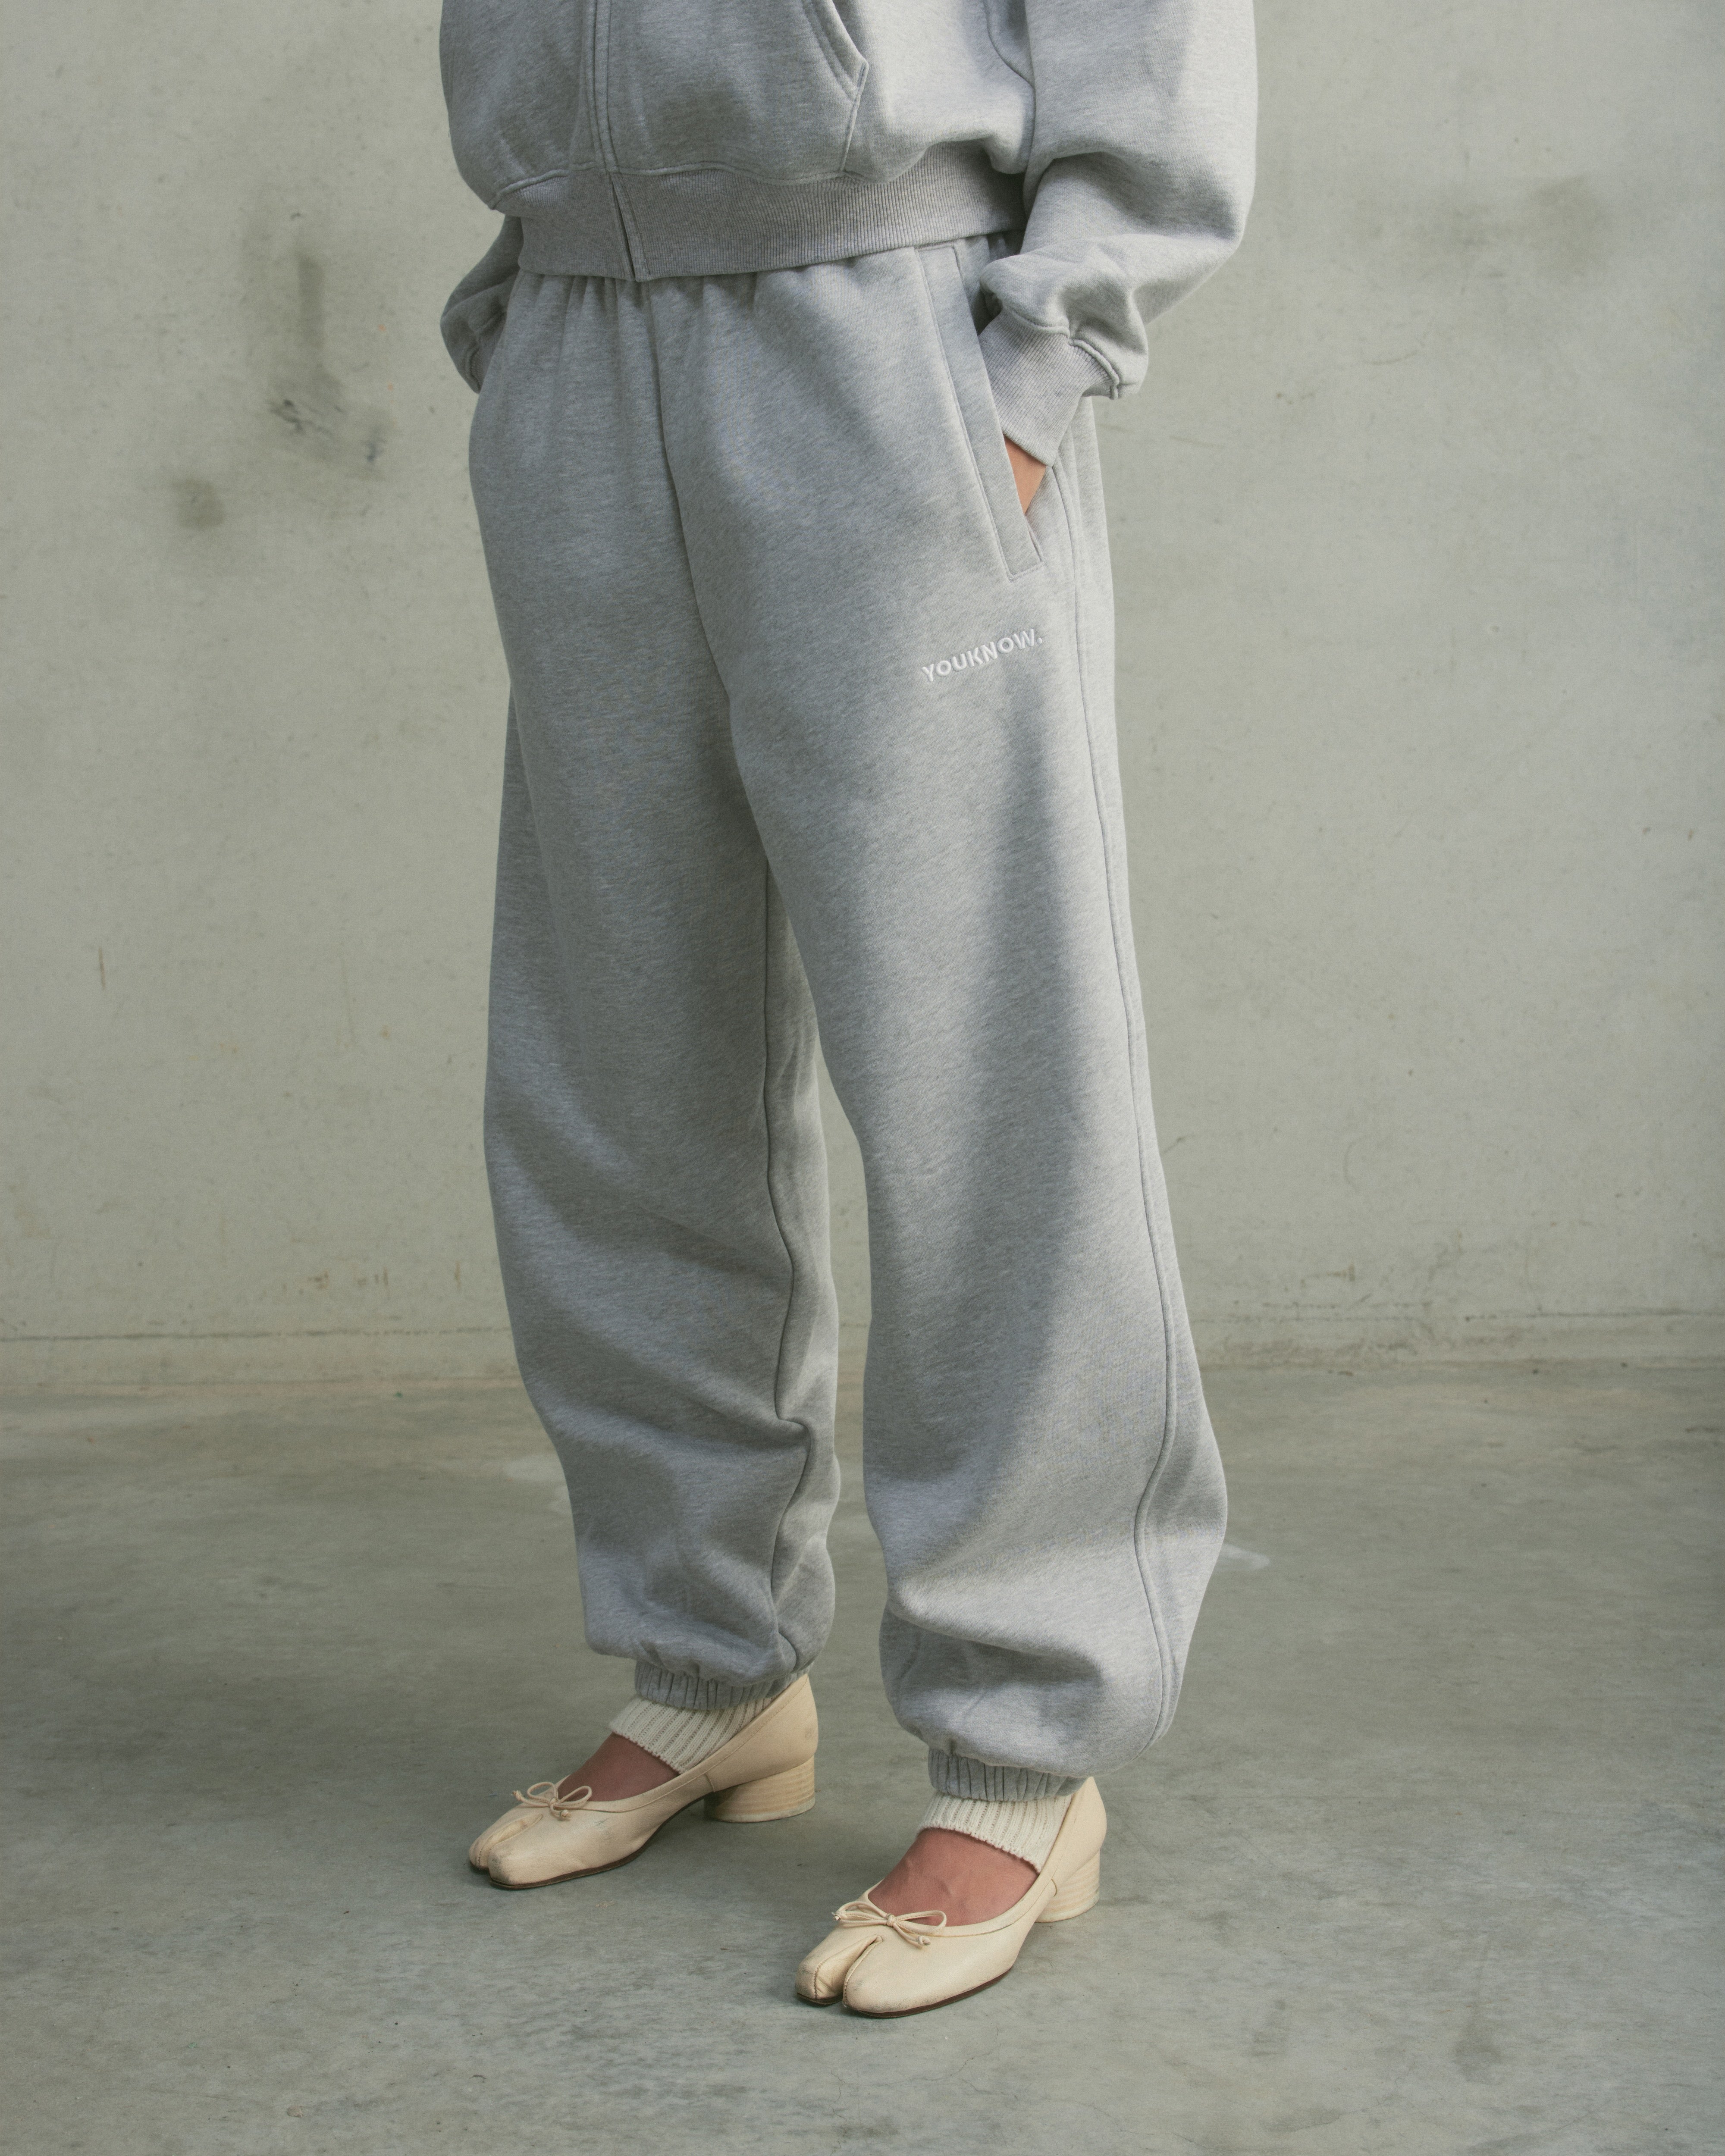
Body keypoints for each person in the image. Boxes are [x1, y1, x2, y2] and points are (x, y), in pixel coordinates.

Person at [442, 0, 1256, 2016]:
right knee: (618, 1064)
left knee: (987, 1070)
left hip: (887, 335)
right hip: (584, 336)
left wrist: (1036, 366)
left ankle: (1027, 1749)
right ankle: (708, 1657)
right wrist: (527, 294)